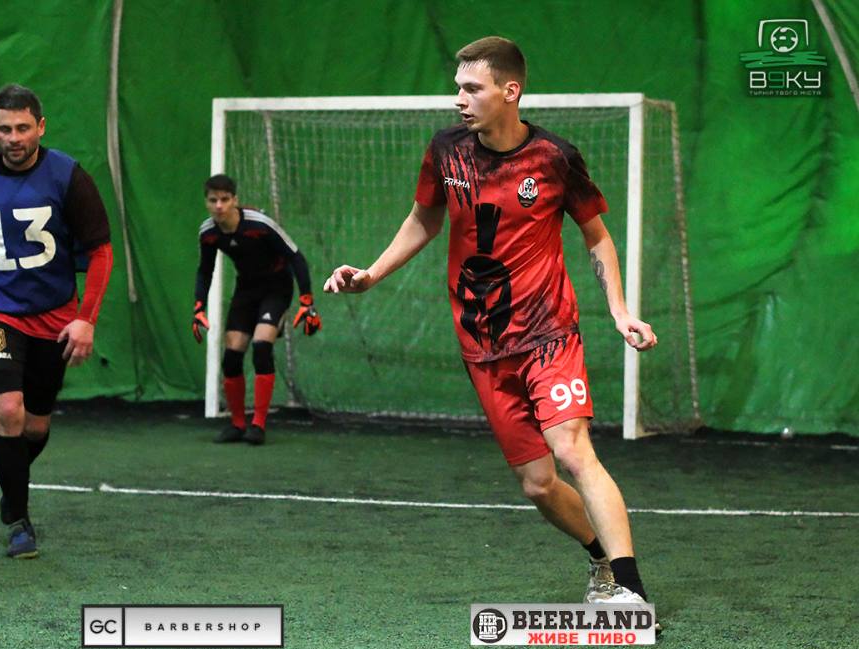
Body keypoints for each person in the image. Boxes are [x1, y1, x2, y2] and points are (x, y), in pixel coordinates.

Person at [324, 37, 661, 612]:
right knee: (538, 484)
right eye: (457, 88)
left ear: (510, 91)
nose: (459, 98)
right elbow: (423, 220)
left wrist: (620, 311)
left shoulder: (555, 158)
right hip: (481, 345)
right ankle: (600, 558)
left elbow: (596, 236)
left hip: (549, 333)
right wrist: (372, 274)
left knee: (572, 450)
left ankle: (631, 590)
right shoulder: (445, 150)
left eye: (472, 88)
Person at [0, 84, 114, 559]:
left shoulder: (68, 176)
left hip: (55, 317)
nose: (13, 138)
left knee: (34, 427)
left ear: (41, 127)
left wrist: (85, 319)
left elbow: (101, 250)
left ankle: (10, 485)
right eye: (4, 129)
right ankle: (19, 520)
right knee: (8, 411)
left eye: (22, 128)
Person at [192, 174, 321, 446]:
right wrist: (199, 306)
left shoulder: (259, 224)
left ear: (235, 200)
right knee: (231, 356)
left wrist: (307, 301)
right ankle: (237, 424)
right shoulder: (208, 233)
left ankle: (258, 424)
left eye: (225, 199)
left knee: (261, 347)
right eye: (213, 200)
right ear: (206, 202)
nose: (219, 206)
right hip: (246, 289)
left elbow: (296, 257)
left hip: (277, 287)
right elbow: (205, 270)